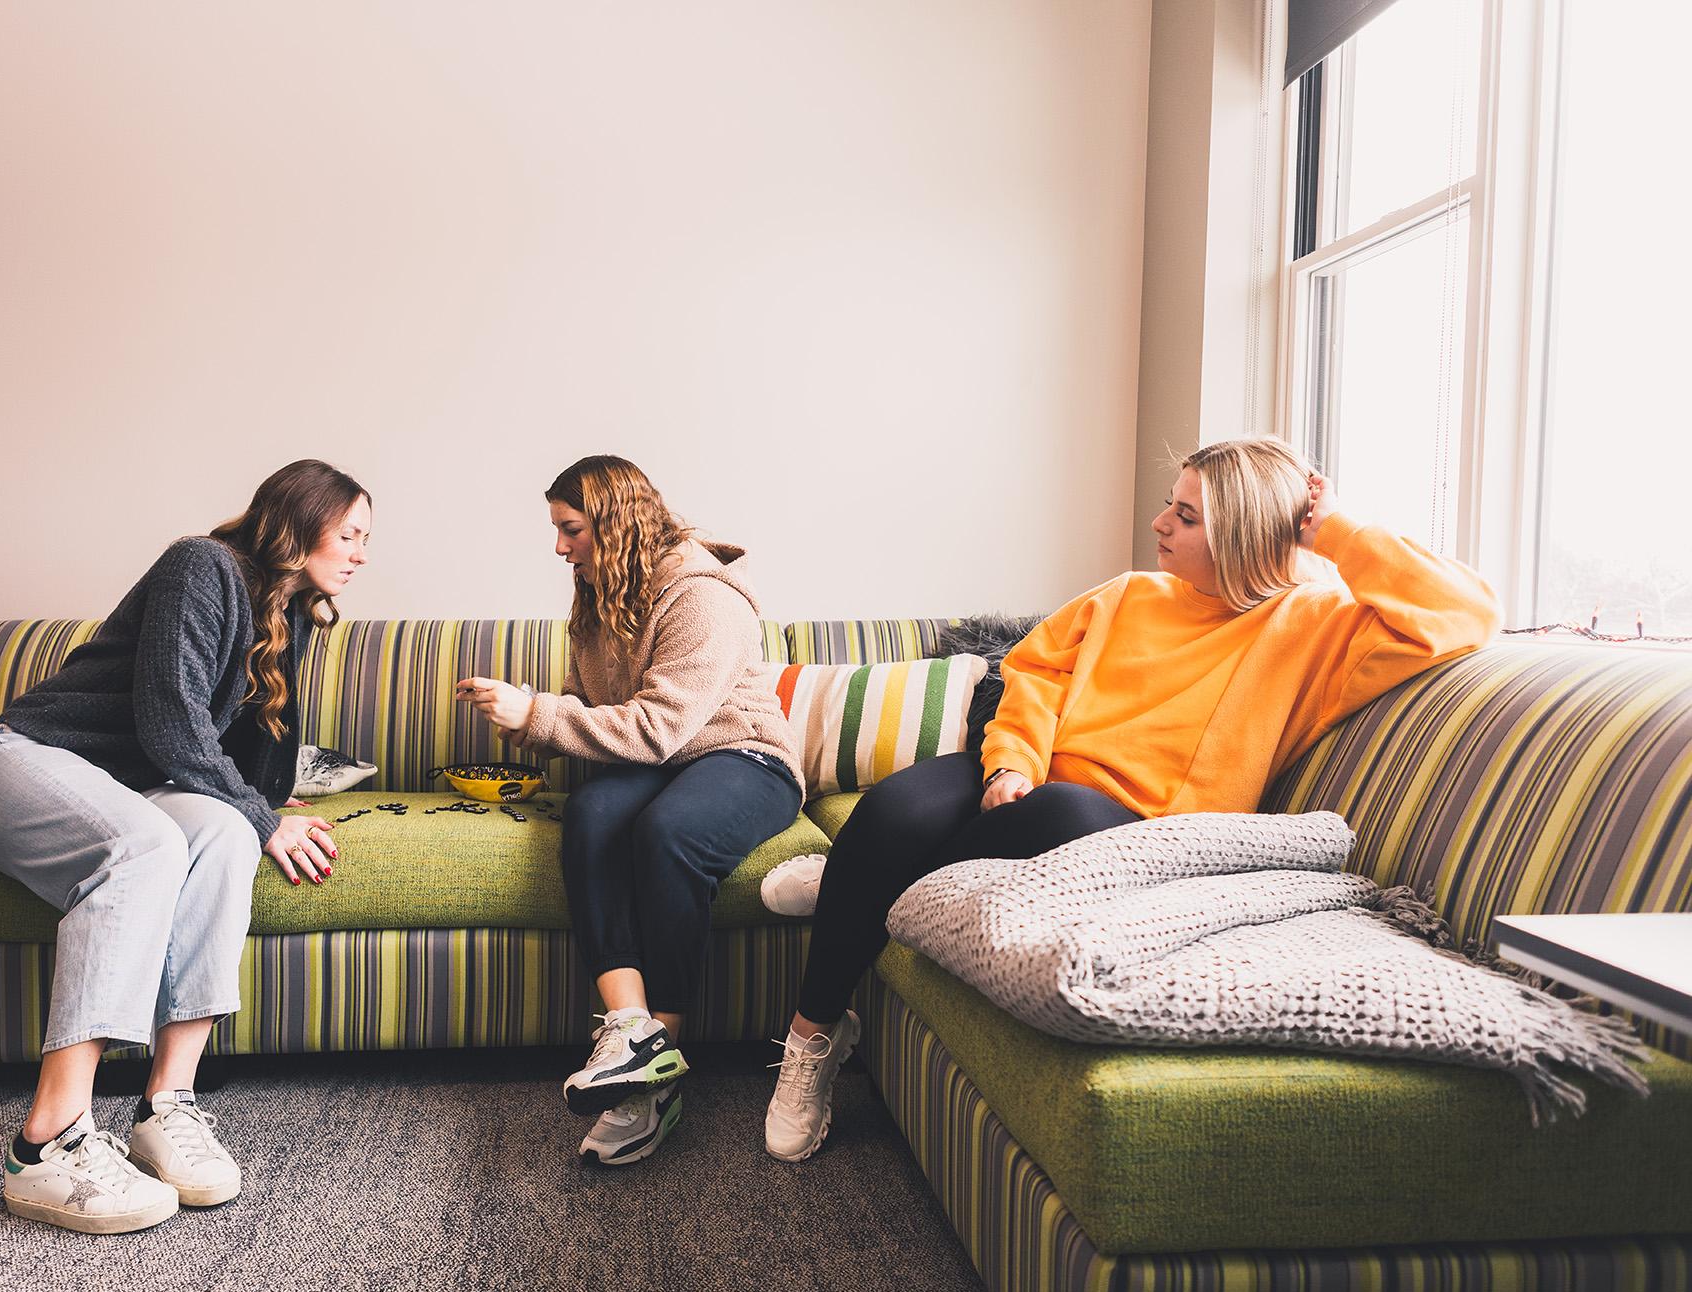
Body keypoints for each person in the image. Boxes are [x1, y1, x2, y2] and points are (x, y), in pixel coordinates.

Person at [761, 435, 1501, 1162]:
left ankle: (860, 882)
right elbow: (1035, 673)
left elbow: (1466, 611)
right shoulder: (1129, 594)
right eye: (1168, 505)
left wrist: (1331, 529)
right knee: (891, 807)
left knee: (1056, 815)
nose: (1159, 524)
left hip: (1133, 823)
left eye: (1185, 516)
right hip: (1034, 773)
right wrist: (1009, 764)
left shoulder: (1317, 630)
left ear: (1243, 536)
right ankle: (814, 1034)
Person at [0, 459, 372, 1232]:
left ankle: (166, 1104)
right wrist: (268, 816)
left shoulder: (278, 612)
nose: (360, 553)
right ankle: (47, 1139)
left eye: (364, 541)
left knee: (223, 832)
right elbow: (169, 720)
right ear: (301, 518)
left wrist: (262, 804)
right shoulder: (203, 565)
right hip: (31, 762)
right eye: (349, 533)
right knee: (150, 843)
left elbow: (261, 771)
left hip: (128, 786)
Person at [459, 455, 803, 1166]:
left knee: (668, 832)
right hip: (656, 764)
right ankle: (629, 1028)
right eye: (557, 531)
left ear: (613, 523)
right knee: (591, 813)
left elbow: (656, 728)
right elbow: (590, 706)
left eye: (571, 530)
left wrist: (543, 716)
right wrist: (527, 719)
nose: (560, 548)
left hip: (745, 759)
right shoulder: (596, 595)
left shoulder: (704, 595)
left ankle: (656, 1070)